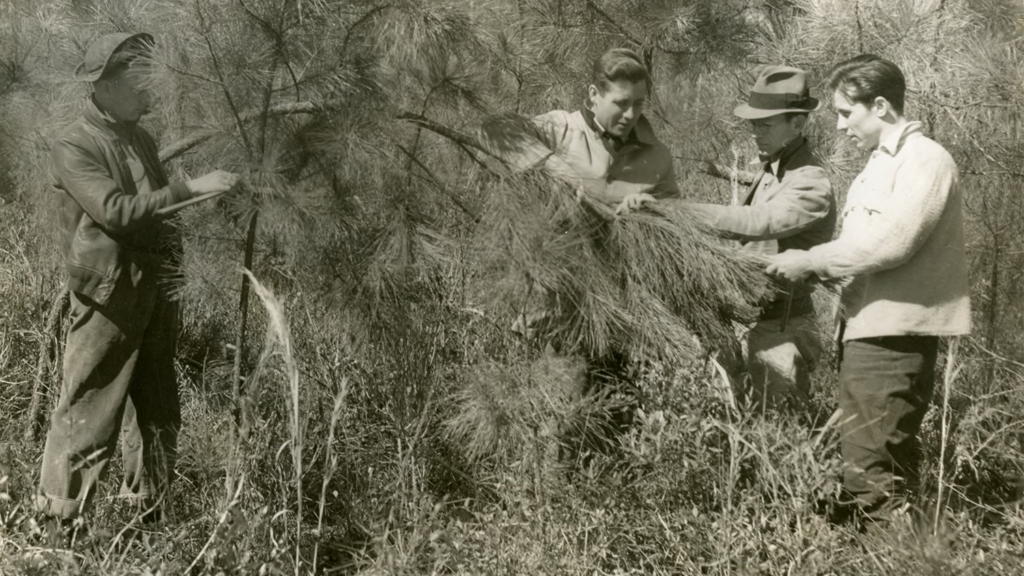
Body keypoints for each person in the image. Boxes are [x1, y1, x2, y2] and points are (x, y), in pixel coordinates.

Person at [36, 32, 239, 530]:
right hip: (108, 295)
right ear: (104, 86)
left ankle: (145, 521)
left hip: (154, 289)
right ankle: (57, 529)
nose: (150, 91)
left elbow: (158, 214)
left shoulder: (141, 137)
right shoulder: (74, 143)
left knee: (157, 410)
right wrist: (194, 186)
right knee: (88, 409)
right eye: (139, 81)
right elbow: (117, 211)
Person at [767, 54, 971, 521]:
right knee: (867, 465)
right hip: (865, 333)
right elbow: (861, 250)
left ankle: (895, 556)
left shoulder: (925, 160)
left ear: (879, 105)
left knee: (873, 477)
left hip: (893, 339)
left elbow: (892, 243)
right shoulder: (878, 166)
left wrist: (812, 260)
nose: (839, 126)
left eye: (845, 112)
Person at [482, 48, 680, 461]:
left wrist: (650, 214)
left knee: (613, 435)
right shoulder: (560, 129)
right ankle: (545, 518)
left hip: (624, 315)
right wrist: (562, 172)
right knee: (556, 430)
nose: (630, 114)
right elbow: (494, 129)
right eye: (620, 103)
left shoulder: (656, 155)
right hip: (558, 313)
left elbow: (674, 226)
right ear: (593, 95)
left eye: (639, 103)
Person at [690, 66, 836, 413]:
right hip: (751, 324)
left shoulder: (810, 182)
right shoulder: (771, 171)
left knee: (780, 443)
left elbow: (759, 221)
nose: (756, 133)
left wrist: (684, 212)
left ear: (798, 124)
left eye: (766, 124)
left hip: (781, 333)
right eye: (754, 124)